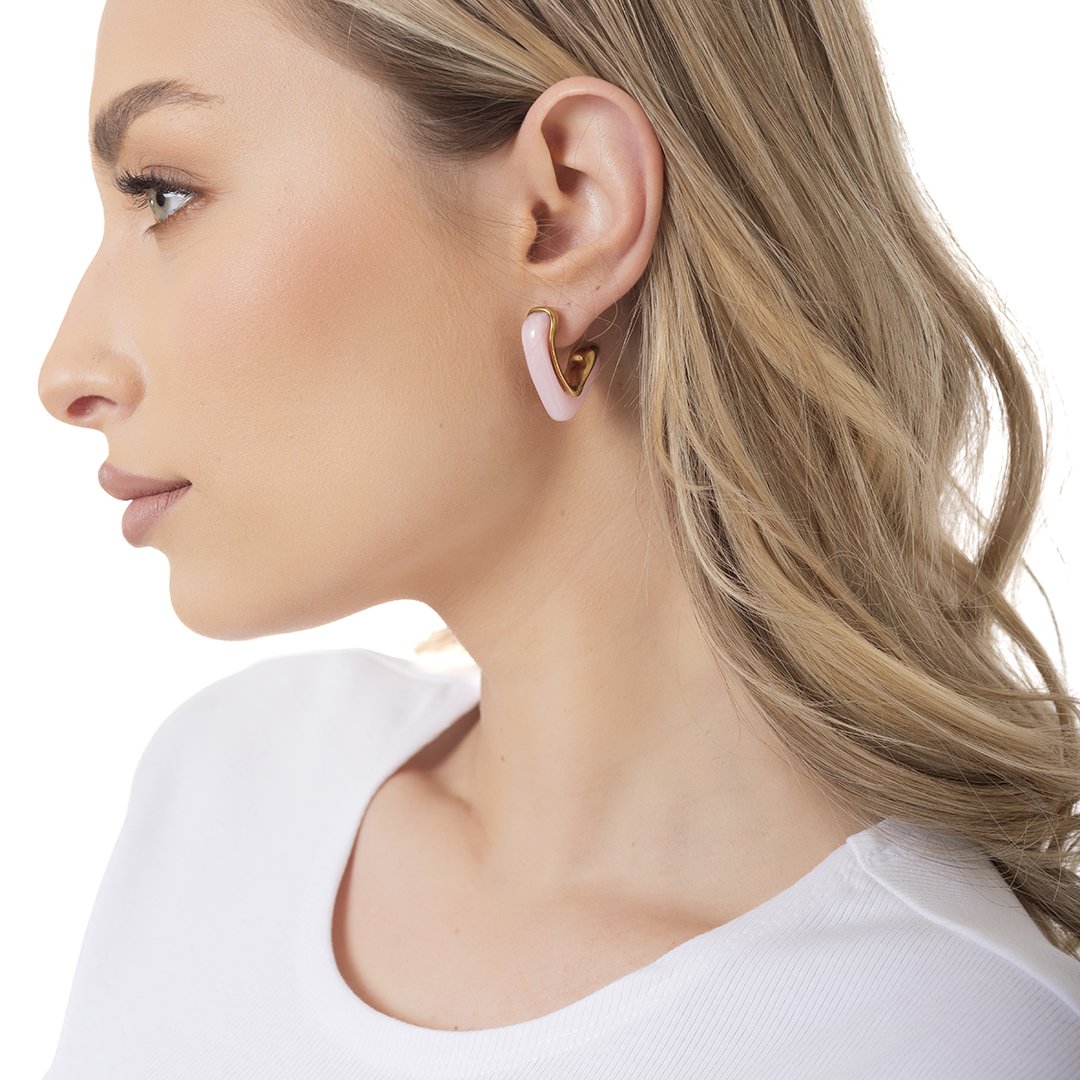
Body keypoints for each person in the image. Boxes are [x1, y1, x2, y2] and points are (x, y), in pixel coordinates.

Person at [36, 0, 1080, 1076]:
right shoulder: (226, 793)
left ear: (567, 210)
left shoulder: (953, 1034)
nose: (64, 374)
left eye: (165, 194)